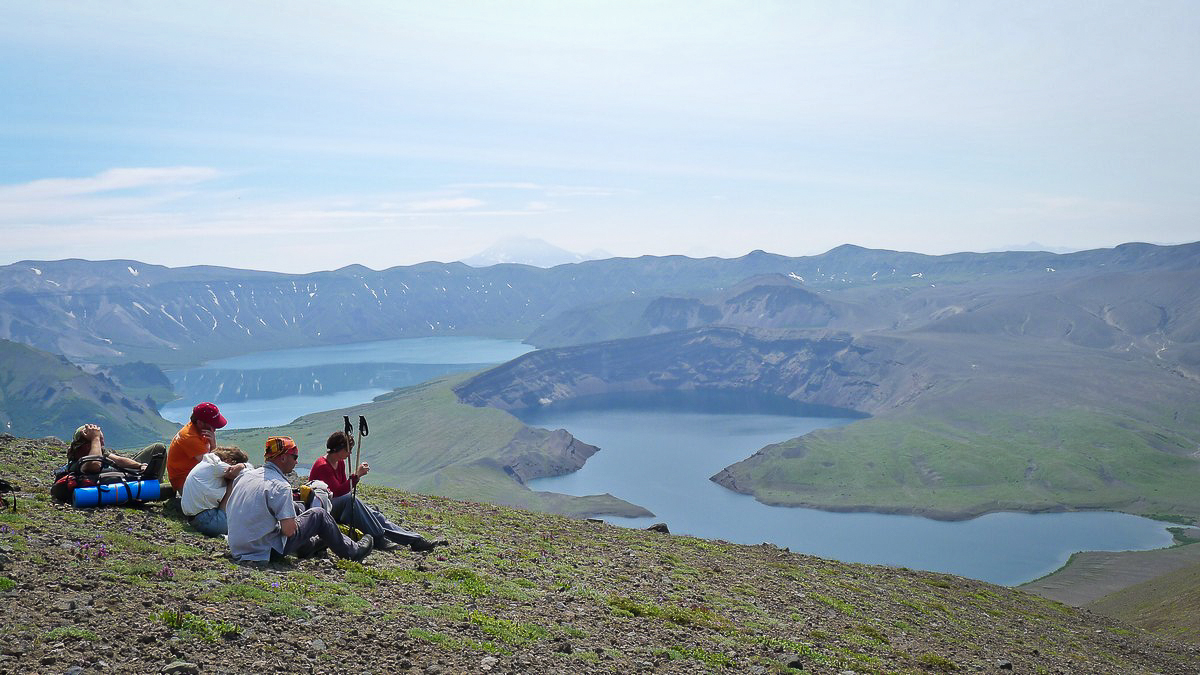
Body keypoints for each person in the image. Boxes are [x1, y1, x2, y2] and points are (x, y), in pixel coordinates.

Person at [225, 436, 373, 563]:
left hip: (238, 546)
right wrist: (306, 526)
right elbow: (289, 531)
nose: (296, 462)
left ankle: (311, 546)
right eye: (294, 456)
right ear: (283, 457)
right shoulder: (280, 486)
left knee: (297, 508)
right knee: (318, 515)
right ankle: (353, 552)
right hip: (263, 550)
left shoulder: (247, 475)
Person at [309, 431, 447, 552]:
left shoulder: (339, 462)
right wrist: (356, 476)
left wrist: (354, 480)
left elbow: (343, 488)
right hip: (325, 509)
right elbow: (338, 492)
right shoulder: (323, 466)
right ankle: (379, 538)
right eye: (348, 449)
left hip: (339, 505)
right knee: (351, 501)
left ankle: (415, 540)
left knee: (374, 515)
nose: (350, 453)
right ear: (338, 449)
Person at [181, 446, 250, 537]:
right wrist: (242, 466)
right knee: (237, 479)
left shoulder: (208, 462)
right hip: (209, 521)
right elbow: (249, 474)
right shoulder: (217, 466)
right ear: (229, 461)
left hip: (195, 519)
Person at [67, 423, 166, 481]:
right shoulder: (78, 463)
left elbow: (118, 460)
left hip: (123, 475)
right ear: (87, 445)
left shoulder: (96, 451)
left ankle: (155, 481)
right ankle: (156, 486)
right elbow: (94, 466)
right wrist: (95, 438)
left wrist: (139, 466)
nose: (102, 443)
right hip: (122, 484)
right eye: (99, 440)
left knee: (158, 448)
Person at [167, 402, 227, 494]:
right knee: (223, 493)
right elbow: (211, 465)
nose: (215, 429)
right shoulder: (190, 438)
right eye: (213, 425)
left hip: (195, 475)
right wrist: (213, 444)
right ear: (200, 423)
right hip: (185, 482)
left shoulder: (198, 429)